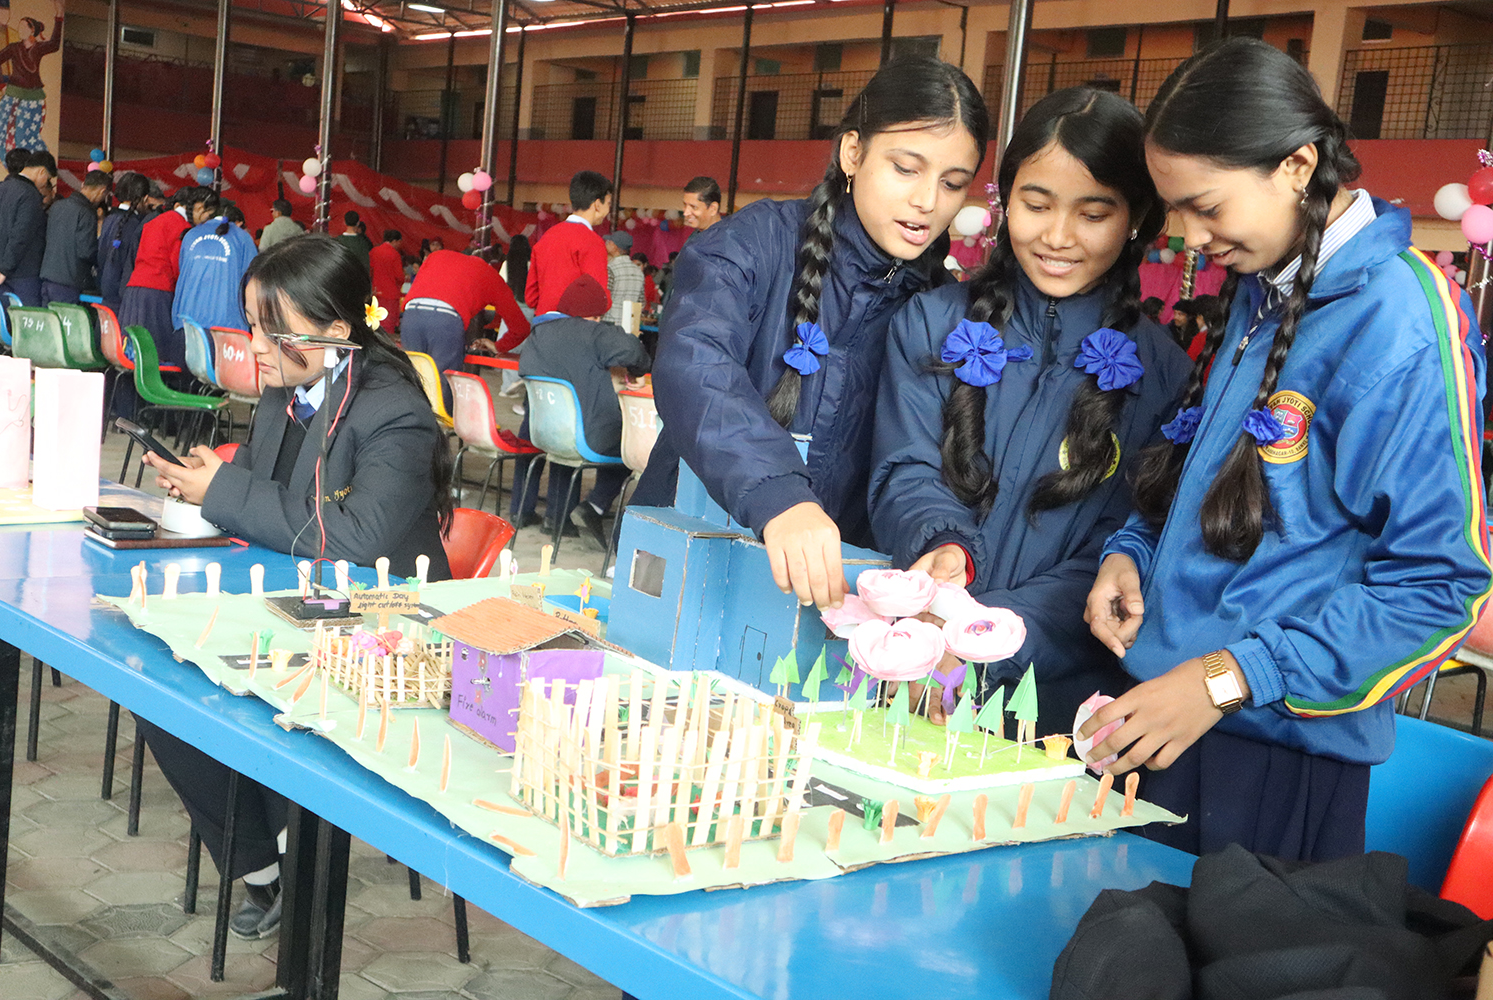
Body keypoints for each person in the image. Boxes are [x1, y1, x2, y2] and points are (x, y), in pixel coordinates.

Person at [1079, 38, 1491, 863]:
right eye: (1177, 210)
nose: (1190, 236)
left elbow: (1439, 588)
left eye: (1207, 206)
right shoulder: (1265, 286)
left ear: (1297, 165)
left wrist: (1228, 679)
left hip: (1272, 756)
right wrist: (1131, 554)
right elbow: (1219, 486)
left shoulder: (1401, 320)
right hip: (1167, 717)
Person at [137, 234, 454, 939]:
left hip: (390, 616)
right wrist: (206, 484)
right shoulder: (287, 389)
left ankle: (293, 850)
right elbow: (265, 492)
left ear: (336, 331)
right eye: (252, 323)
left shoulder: (394, 411)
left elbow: (357, 538)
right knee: (161, 681)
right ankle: (264, 864)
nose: (253, 344)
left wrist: (226, 492)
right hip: (306, 596)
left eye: (271, 329)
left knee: (243, 678)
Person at [868, 88, 1190, 731]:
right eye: (1036, 205)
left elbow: (1122, 544)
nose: (1058, 237)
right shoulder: (930, 322)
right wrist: (944, 547)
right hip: (912, 661)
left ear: (1135, 218)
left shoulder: (1164, 377)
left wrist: (988, 637)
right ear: (1005, 201)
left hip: (1054, 698)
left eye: (1093, 214)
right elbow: (904, 467)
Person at [629, 57, 990, 609]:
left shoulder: (939, 314)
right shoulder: (754, 244)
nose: (927, 201)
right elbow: (694, 364)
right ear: (853, 153)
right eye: (905, 168)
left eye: (952, 183)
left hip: (829, 594)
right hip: (686, 563)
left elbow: (919, 463)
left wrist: (940, 539)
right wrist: (777, 491)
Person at [510, 273, 650, 546]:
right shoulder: (596, 333)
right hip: (587, 436)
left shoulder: (538, 334)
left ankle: (557, 519)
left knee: (571, 433)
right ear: (596, 315)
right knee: (633, 447)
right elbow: (635, 352)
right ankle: (595, 505)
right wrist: (636, 371)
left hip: (546, 436)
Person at [121, 186, 215, 366]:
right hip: (157, 292)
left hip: (134, 289)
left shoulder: (155, 220)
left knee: (133, 351)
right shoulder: (182, 227)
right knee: (154, 355)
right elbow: (177, 265)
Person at [399, 247, 528, 376]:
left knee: (410, 376)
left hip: (411, 315)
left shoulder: (437, 256)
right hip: (446, 320)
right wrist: (498, 346)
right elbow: (520, 328)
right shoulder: (490, 274)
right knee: (443, 380)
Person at [525, 171, 612, 315]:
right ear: (597, 204)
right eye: (608, 203)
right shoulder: (592, 242)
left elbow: (531, 298)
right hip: (574, 323)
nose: (608, 210)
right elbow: (598, 297)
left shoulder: (547, 237)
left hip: (542, 323)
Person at [0, 0, 62, 169]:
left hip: (32, 97)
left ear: (32, 30)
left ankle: (43, 169)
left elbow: (54, 44)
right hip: (12, 94)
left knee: (25, 137)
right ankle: (12, 168)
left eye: (24, 27)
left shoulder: (38, 48)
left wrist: (59, 17)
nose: (20, 30)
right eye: (19, 27)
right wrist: (1, 83)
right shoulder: (14, 47)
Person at [173, 201, 257, 335]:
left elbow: (182, 270)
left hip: (187, 320)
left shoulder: (191, 235)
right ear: (238, 223)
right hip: (227, 324)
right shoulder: (242, 238)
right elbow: (253, 280)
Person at [40, 168, 110, 305]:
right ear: (103, 191)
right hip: (70, 282)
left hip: (47, 277)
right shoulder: (87, 212)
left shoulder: (56, 206)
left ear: (83, 185)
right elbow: (86, 251)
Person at [0, 148, 54, 302]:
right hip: (23, 275)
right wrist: (5, 268)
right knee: (25, 316)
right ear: (41, 171)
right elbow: (21, 235)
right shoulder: (30, 195)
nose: (45, 184)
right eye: (47, 178)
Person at [97, 171, 152, 308]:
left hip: (105, 289)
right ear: (144, 198)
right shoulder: (136, 225)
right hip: (122, 296)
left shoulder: (109, 219)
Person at [602, 230, 644, 327]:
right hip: (629, 324)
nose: (606, 244)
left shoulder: (611, 268)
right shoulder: (638, 272)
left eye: (609, 242)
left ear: (614, 246)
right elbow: (641, 301)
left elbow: (605, 297)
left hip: (609, 322)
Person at [369, 229, 405, 335]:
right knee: (389, 324)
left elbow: (370, 271)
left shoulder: (374, 251)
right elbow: (399, 277)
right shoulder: (395, 254)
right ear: (394, 241)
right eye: (399, 242)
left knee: (375, 322)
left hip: (376, 292)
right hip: (391, 293)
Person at [503, 233, 531, 303]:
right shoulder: (530, 264)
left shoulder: (506, 264)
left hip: (510, 301)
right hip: (527, 300)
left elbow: (502, 284)